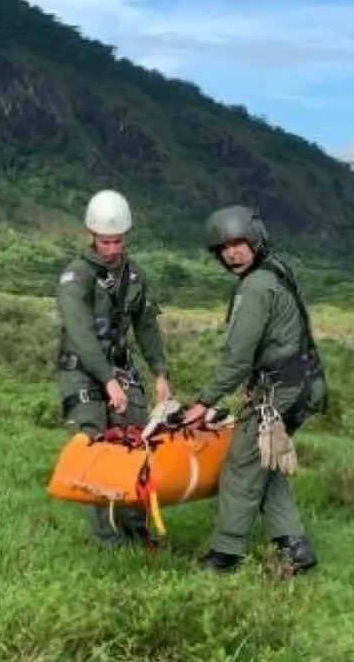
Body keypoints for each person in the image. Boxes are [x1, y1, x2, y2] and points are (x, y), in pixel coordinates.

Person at [182, 205, 326, 574]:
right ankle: (294, 547)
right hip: (302, 382)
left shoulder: (255, 287)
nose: (232, 253)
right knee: (267, 462)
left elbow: (238, 356)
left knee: (241, 468)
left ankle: (225, 556)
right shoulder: (277, 269)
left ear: (254, 240)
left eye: (238, 243)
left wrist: (203, 402)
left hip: (281, 389)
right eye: (224, 247)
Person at [56, 190, 171, 547]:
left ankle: (137, 529)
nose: (111, 248)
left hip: (120, 368)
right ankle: (108, 539)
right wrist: (107, 381)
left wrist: (160, 372)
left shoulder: (134, 276)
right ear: (91, 235)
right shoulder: (76, 277)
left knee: (137, 442)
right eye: (105, 241)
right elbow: (80, 334)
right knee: (95, 443)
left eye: (117, 241)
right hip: (82, 369)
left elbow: (146, 326)